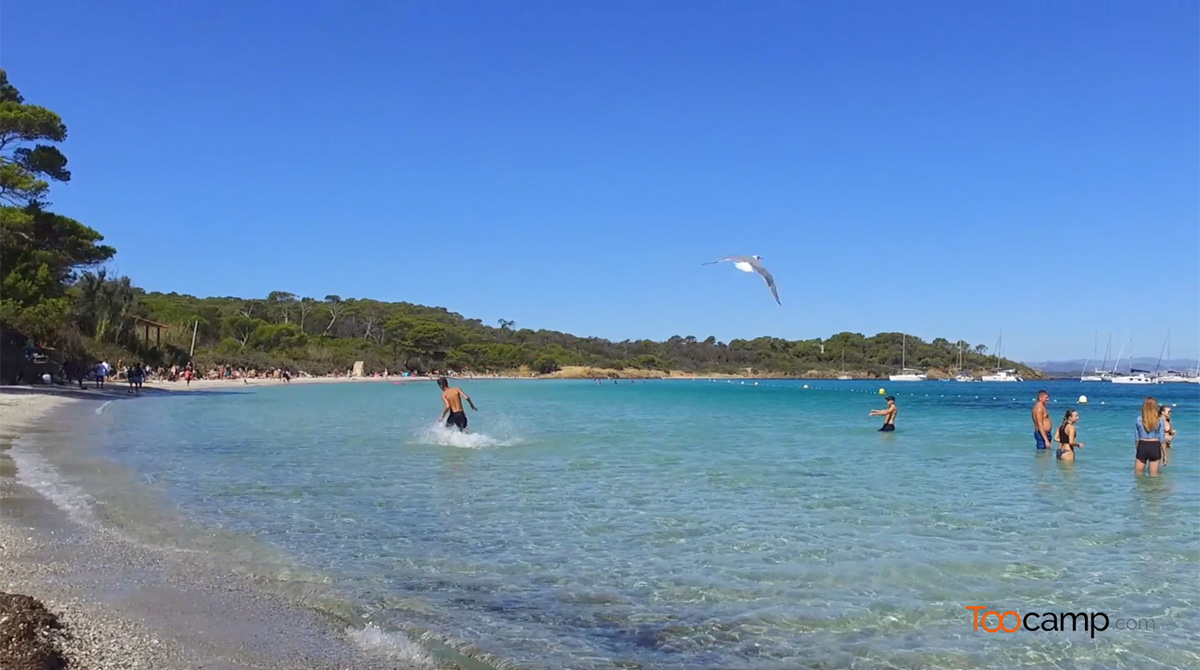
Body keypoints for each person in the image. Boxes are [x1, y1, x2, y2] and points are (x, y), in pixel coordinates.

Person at [1134, 396, 1167, 476]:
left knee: (1138, 476)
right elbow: (1162, 439)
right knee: (1154, 476)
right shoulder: (1159, 421)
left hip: (1142, 445)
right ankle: (1154, 489)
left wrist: (1138, 451)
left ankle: (1140, 488)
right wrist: (1165, 455)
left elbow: (1137, 438)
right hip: (1154, 447)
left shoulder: (1138, 419)